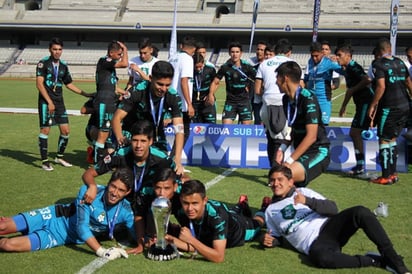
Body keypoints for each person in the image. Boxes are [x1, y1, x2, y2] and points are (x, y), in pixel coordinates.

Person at [261, 165, 410, 273]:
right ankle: (374, 261)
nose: (275, 184)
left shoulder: (303, 191)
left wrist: (307, 201)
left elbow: (333, 209)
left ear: (290, 182)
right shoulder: (270, 211)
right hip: (314, 244)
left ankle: (394, 260)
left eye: (280, 179)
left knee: (360, 212)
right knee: (322, 259)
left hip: (330, 228)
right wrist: (272, 241)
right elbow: (278, 237)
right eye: (272, 181)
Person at [82, 119, 179, 255]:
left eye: (143, 141)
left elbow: (178, 179)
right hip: (125, 206)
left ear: (151, 142)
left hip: (148, 204)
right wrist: (91, 186)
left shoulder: (162, 159)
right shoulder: (120, 154)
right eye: (135, 140)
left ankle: (167, 226)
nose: (138, 145)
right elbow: (89, 173)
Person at [0, 168, 135, 261]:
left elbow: (136, 234)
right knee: (3, 226)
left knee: (8, 245)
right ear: (108, 184)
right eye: (113, 186)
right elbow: (82, 227)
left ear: (127, 192)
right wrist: (102, 251)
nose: (114, 193)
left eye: (121, 190)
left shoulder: (126, 211)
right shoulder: (89, 192)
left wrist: (148, 241)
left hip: (58, 236)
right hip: (52, 215)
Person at [111, 60, 185, 175]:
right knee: (127, 173)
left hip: (156, 135)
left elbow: (179, 129)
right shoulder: (137, 91)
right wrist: (121, 139)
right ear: (150, 78)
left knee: (164, 173)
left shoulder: (173, 96)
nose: (164, 89)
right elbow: (116, 118)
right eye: (160, 84)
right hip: (133, 134)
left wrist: (178, 158)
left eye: (167, 85)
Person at [164, 179, 264, 263]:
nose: (190, 208)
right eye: (185, 203)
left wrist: (191, 239)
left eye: (195, 203)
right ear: (181, 200)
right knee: (231, 211)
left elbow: (218, 257)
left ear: (205, 201)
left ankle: (264, 208)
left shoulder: (217, 217)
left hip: (242, 228)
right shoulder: (179, 209)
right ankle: (241, 205)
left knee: (259, 222)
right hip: (227, 214)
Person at [36, 37, 93, 171]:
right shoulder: (43, 63)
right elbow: (39, 84)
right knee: (45, 130)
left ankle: (59, 157)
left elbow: (69, 84)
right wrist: (49, 101)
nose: (57, 52)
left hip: (59, 102)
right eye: (55, 49)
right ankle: (44, 161)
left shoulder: (63, 65)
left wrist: (85, 93)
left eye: (59, 49)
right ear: (50, 49)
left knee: (66, 131)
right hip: (46, 102)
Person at [276, 61, 330, 186]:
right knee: (291, 187)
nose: (275, 82)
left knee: (283, 177)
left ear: (285, 78)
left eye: (277, 78)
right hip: (302, 152)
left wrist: (289, 160)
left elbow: (311, 137)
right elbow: (292, 127)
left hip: (318, 151)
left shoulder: (308, 98)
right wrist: (282, 149)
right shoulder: (286, 99)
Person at [367, 38, 412, 184]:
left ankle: (385, 176)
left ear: (379, 51)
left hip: (390, 107)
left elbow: (381, 86)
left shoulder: (378, 64)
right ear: (390, 49)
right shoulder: (400, 62)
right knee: (392, 139)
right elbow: (408, 82)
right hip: (405, 105)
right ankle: (393, 174)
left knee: (384, 139)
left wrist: (373, 105)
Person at [335, 44, 374, 177]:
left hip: (365, 103)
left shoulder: (354, 66)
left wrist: (353, 90)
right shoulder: (347, 69)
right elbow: (349, 91)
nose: (338, 58)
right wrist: (344, 105)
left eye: (340, 55)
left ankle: (360, 166)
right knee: (355, 133)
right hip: (360, 103)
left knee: (355, 132)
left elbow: (367, 80)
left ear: (348, 56)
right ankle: (360, 165)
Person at [255, 39, 294, 167]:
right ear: (289, 52)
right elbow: (300, 86)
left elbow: (257, 89)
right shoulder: (292, 64)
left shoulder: (264, 64)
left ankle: (273, 169)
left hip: (267, 102)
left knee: (270, 137)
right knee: (282, 139)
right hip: (284, 101)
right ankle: (276, 171)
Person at [93, 40, 129, 164]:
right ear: (111, 53)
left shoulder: (109, 69)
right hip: (103, 102)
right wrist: (125, 49)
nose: (120, 57)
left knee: (106, 132)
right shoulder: (105, 61)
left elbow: (112, 87)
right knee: (103, 133)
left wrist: (124, 93)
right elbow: (125, 64)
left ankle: (102, 159)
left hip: (109, 101)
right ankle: (98, 164)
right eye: (119, 54)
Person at [209, 41, 256, 125]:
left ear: (241, 53)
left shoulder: (247, 66)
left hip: (244, 101)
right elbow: (215, 82)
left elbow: (258, 79)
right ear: (229, 53)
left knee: (246, 128)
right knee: (226, 127)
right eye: (232, 52)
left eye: (237, 52)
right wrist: (211, 94)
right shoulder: (225, 67)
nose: (235, 54)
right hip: (230, 101)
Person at [303, 41, 342, 125]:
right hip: (311, 99)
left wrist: (339, 61)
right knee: (310, 124)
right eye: (312, 56)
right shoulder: (310, 61)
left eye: (316, 56)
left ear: (322, 53)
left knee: (323, 125)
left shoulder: (329, 62)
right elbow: (305, 79)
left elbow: (343, 70)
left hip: (323, 99)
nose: (314, 58)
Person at [169, 36, 197, 147]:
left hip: (169, 98)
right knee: (183, 133)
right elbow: (184, 81)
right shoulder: (188, 59)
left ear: (181, 46)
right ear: (194, 49)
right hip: (181, 103)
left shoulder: (172, 58)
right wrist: (189, 104)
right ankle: (174, 160)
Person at [192, 52, 217, 123]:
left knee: (211, 127)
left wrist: (210, 94)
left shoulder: (210, 70)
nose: (198, 69)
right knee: (195, 128)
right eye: (196, 67)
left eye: (200, 66)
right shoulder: (189, 71)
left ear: (203, 63)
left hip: (207, 102)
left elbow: (215, 83)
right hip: (194, 103)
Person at [249, 40, 268, 125]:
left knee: (259, 120)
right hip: (248, 96)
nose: (259, 52)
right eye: (258, 49)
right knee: (244, 120)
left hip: (260, 96)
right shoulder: (249, 62)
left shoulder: (268, 65)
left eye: (261, 50)